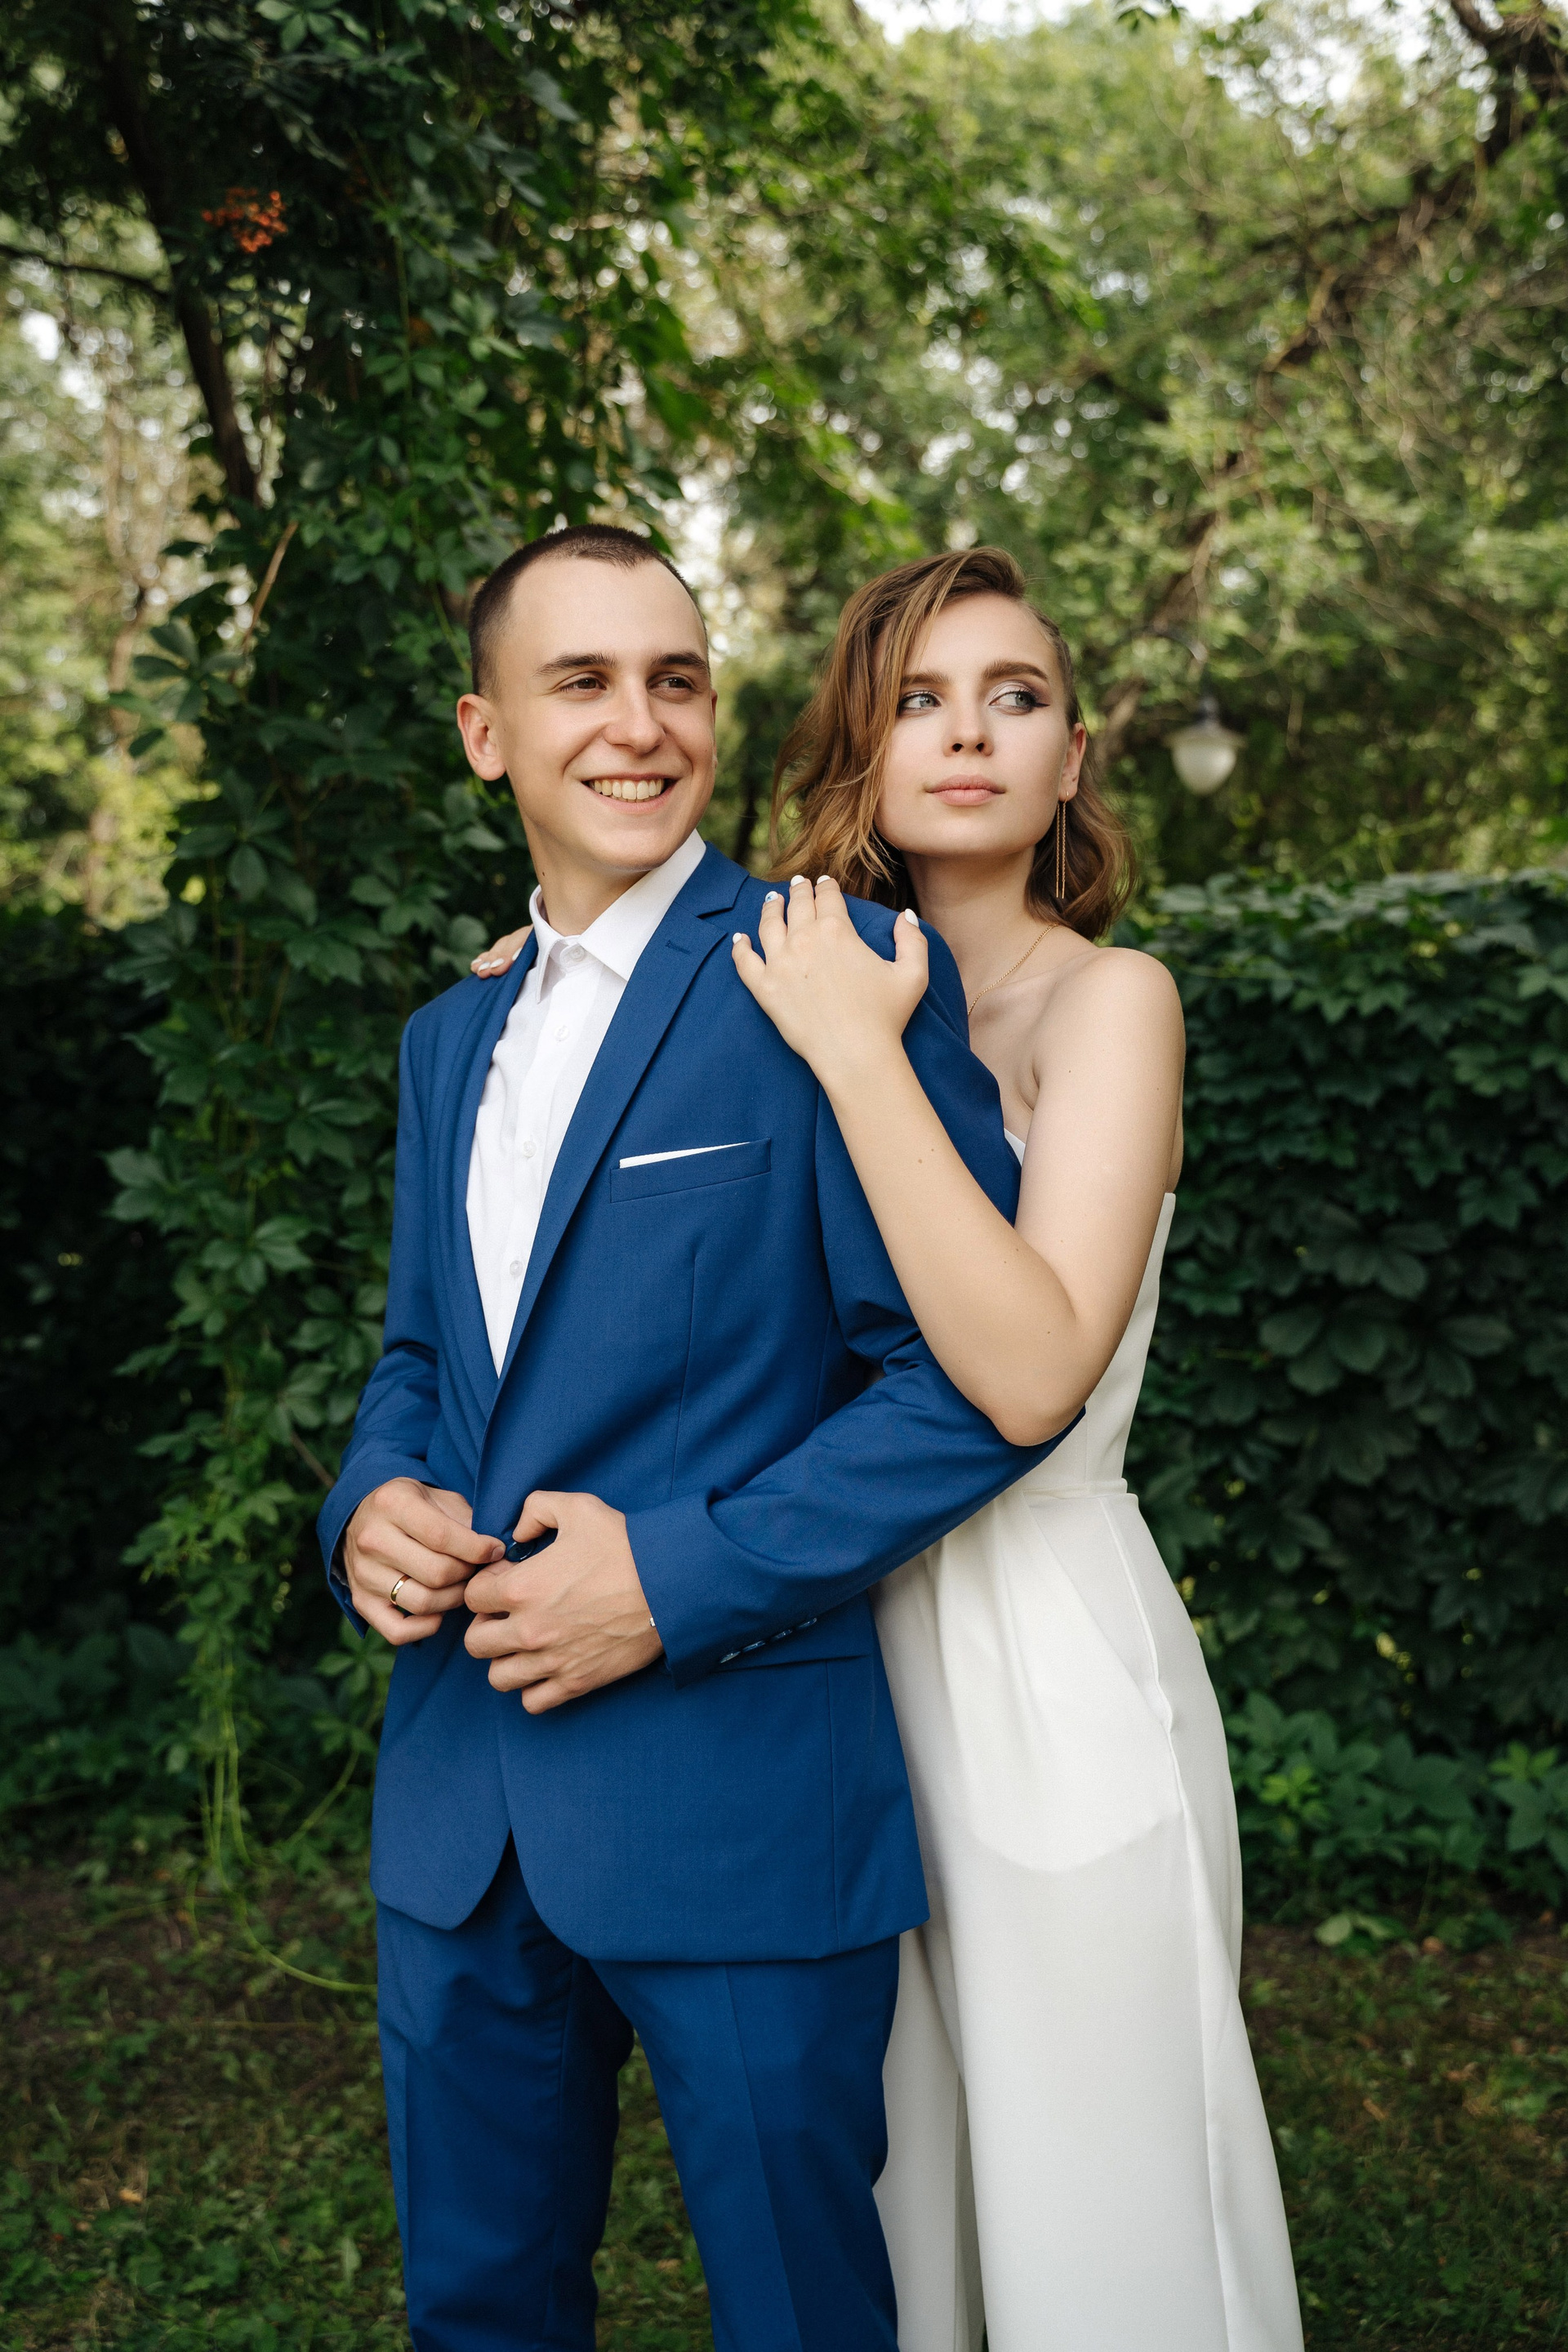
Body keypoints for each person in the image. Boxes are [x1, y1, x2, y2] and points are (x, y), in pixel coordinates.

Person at [478, 544, 1303, 2350]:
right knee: (900, 2183)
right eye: (919, 699)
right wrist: (544, 980)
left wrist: (862, 1057)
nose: (969, 736)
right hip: (829, 1653)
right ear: (860, 743)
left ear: (1073, 758)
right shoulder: (796, 970)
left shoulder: (1108, 1003)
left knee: (1090, 2161)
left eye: (1017, 699)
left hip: (1038, 1652)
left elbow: (1030, 1373)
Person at [322, 523, 1070, 2352]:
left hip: (738, 1797)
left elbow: (966, 1388)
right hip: (460, 1806)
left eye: (676, 680)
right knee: (478, 2311)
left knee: (802, 2318)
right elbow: (427, 1351)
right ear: (487, 733)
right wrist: (370, 1502)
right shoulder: (448, 1036)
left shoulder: (839, 979)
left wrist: (675, 1576)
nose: (640, 725)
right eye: (581, 682)